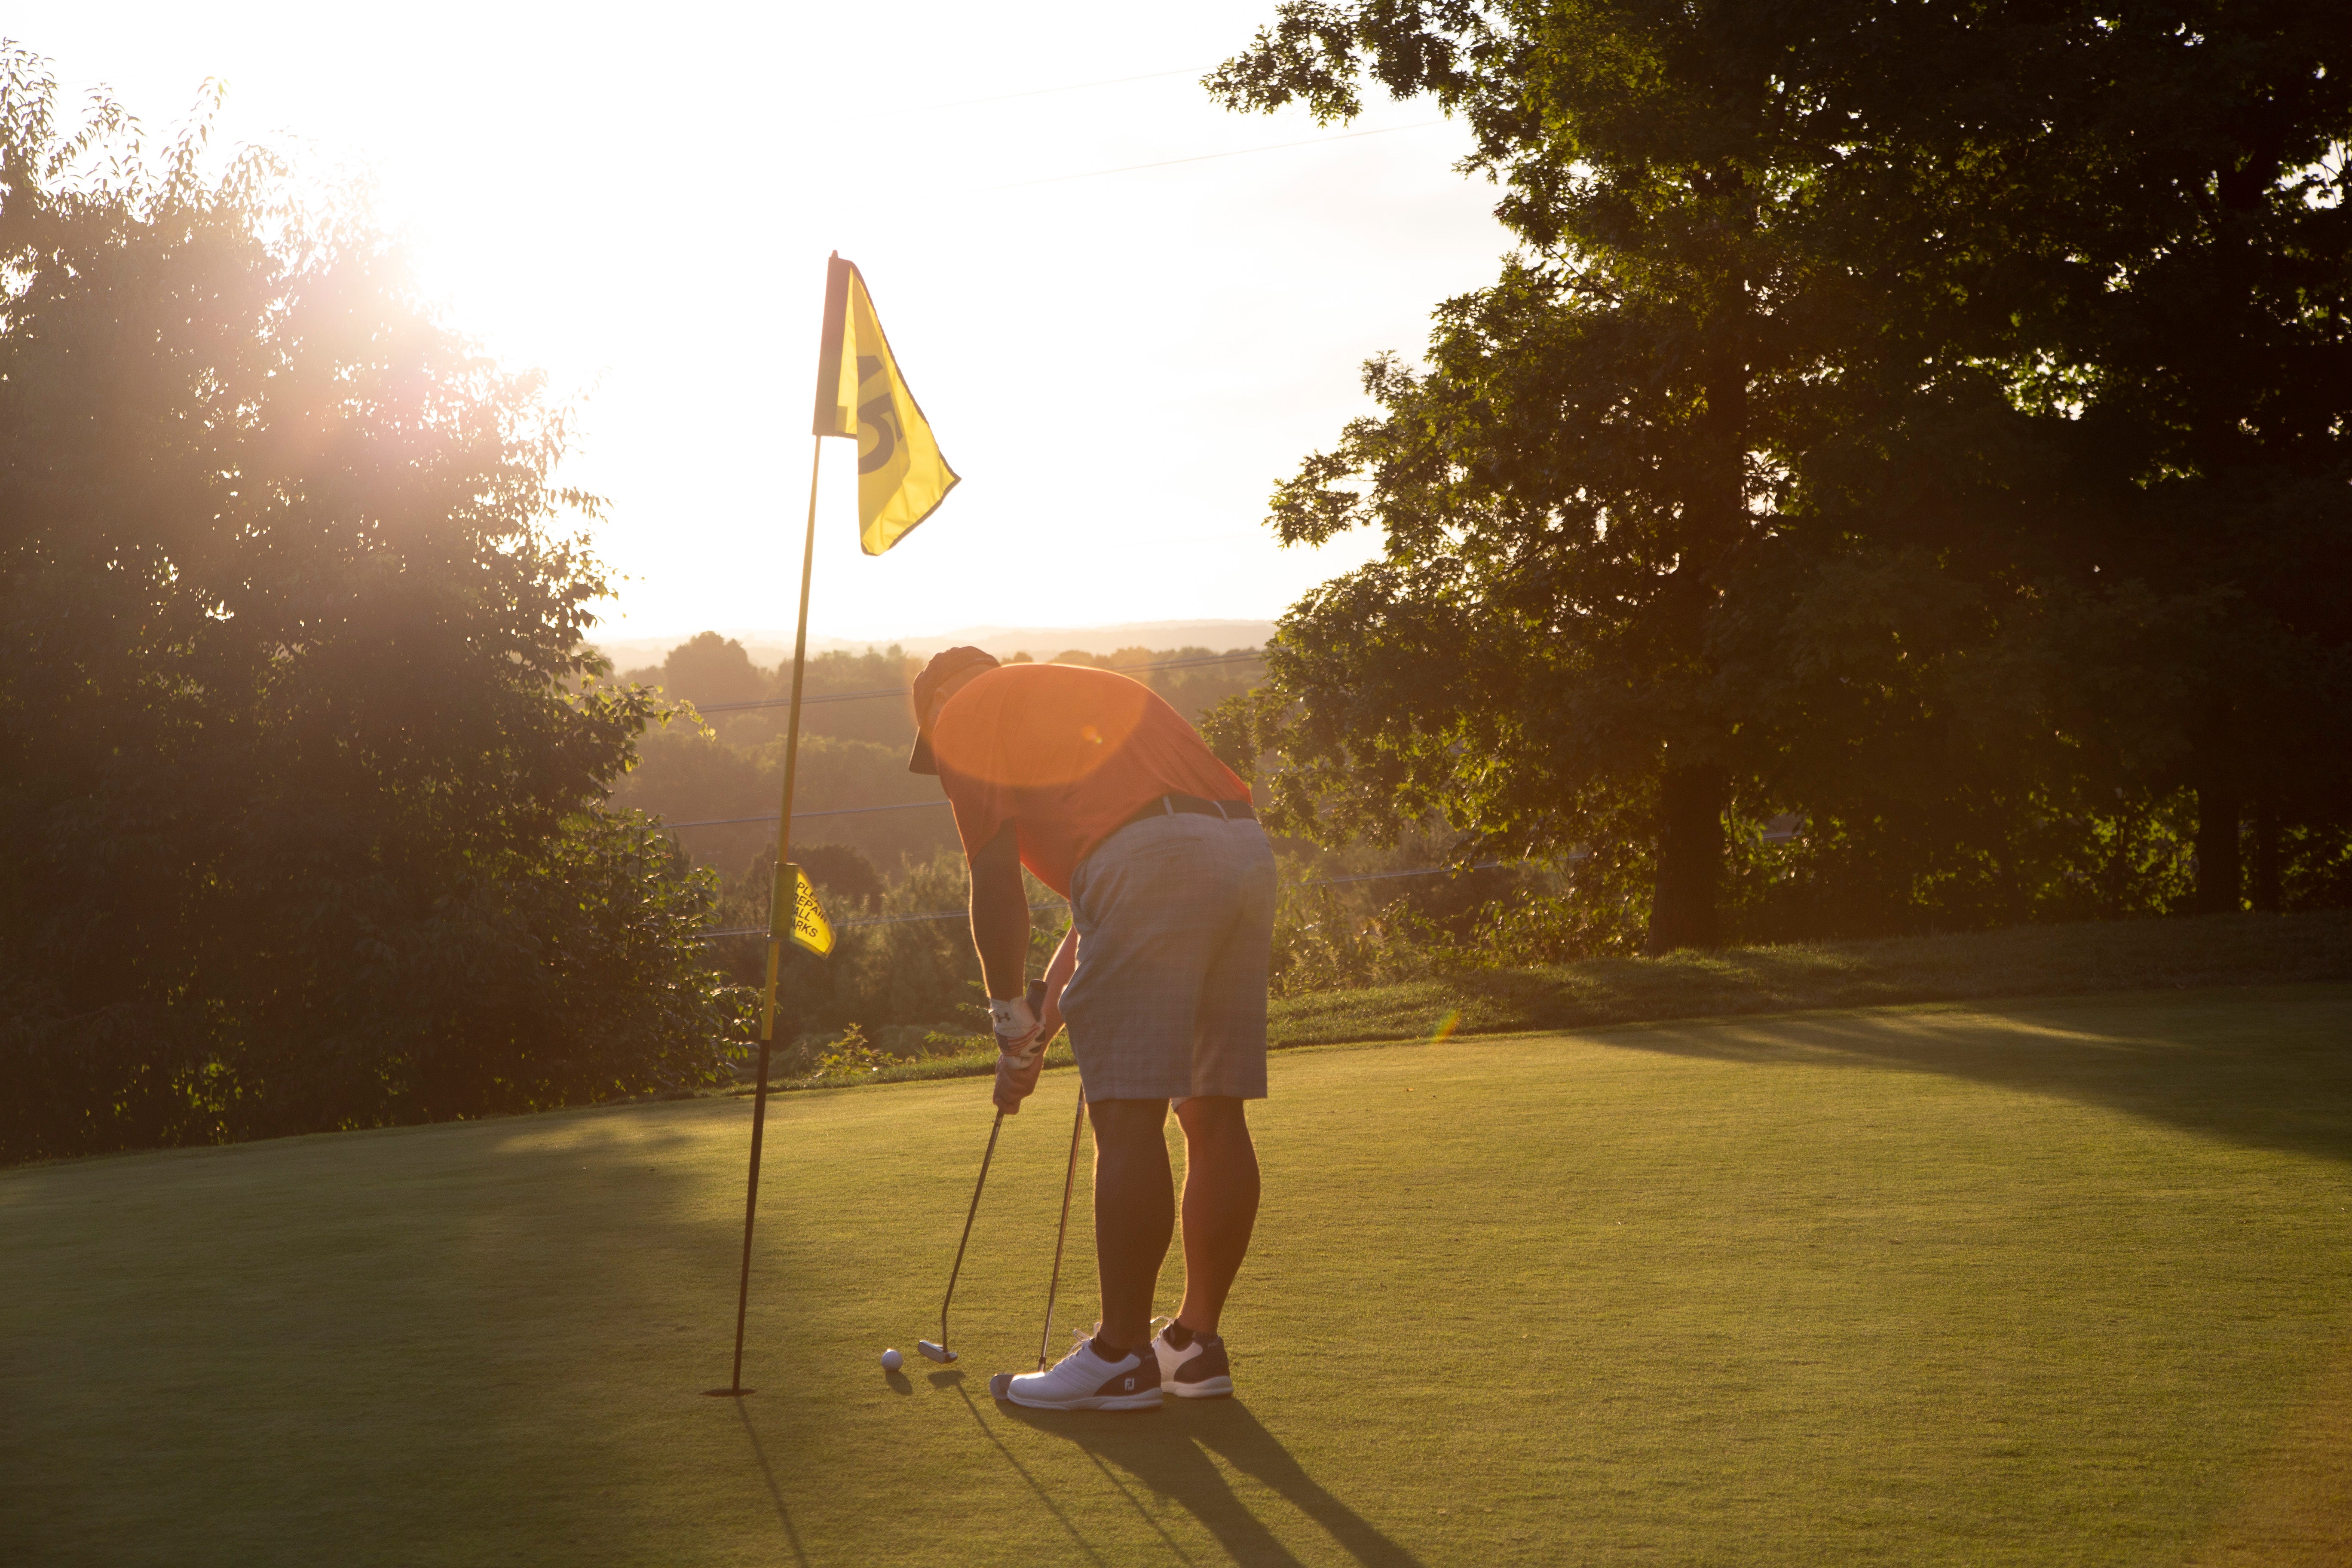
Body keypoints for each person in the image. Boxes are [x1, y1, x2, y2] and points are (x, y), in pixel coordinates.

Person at [908, 646, 1276, 1412]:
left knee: (1127, 1114)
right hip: (1241, 851)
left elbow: (995, 885)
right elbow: (1100, 912)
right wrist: (1037, 1031)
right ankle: (1195, 1346)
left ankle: (1120, 1354)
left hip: (1150, 861)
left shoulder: (961, 718)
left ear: (936, 705)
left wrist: (1006, 1016)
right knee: (1213, 1106)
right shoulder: (1078, 694)